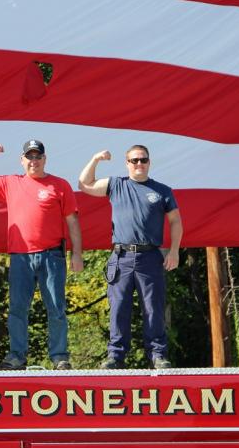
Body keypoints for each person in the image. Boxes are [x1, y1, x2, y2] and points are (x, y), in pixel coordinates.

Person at [0, 140, 83, 370]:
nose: (34, 161)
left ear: (45, 159)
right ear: (22, 160)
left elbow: (72, 221)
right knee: (17, 309)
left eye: (38, 156)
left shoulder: (60, 185)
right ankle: (17, 356)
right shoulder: (11, 182)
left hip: (52, 256)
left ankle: (59, 357)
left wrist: (76, 254)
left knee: (56, 308)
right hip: (20, 257)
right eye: (29, 157)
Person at [78, 146, 183, 369]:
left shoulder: (162, 190)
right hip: (121, 256)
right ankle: (116, 356)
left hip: (150, 256)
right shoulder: (116, 184)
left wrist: (174, 250)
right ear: (127, 163)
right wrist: (95, 159)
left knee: (153, 308)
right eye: (134, 160)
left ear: (149, 162)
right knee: (118, 307)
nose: (139, 164)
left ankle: (157, 355)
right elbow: (84, 184)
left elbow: (175, 221)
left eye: (143, 160)